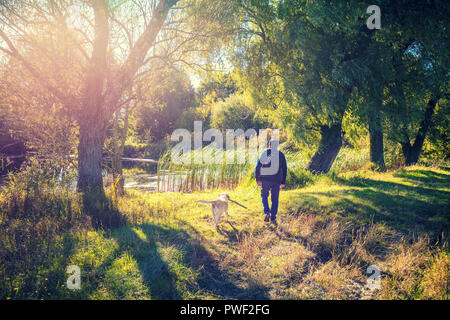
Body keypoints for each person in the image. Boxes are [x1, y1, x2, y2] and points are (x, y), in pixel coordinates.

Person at [254, 140, 287, 225]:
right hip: (277, 181)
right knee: (275, 199)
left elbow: (258, 166)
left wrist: (258, 179)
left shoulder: (264, 153)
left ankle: (267, 212)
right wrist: (283, 182)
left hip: (265, 180)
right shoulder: (281, 154)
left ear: (269, 145)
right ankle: (273, 217)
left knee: (264, 195)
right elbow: (284, 169)